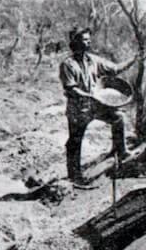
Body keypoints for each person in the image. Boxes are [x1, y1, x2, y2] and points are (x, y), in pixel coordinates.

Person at [59, 26, 139, 185]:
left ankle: (120, 150)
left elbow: (114, 69)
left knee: (118, 118)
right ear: (75, 43)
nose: (88, 43)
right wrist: (90, 96)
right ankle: (74, 176)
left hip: (95, 105)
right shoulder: (67, 65)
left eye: (89, 40)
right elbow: (71, 89)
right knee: (75, 141)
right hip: (78, 109)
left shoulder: (93, 60)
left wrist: (134, 59)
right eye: (84, 40)